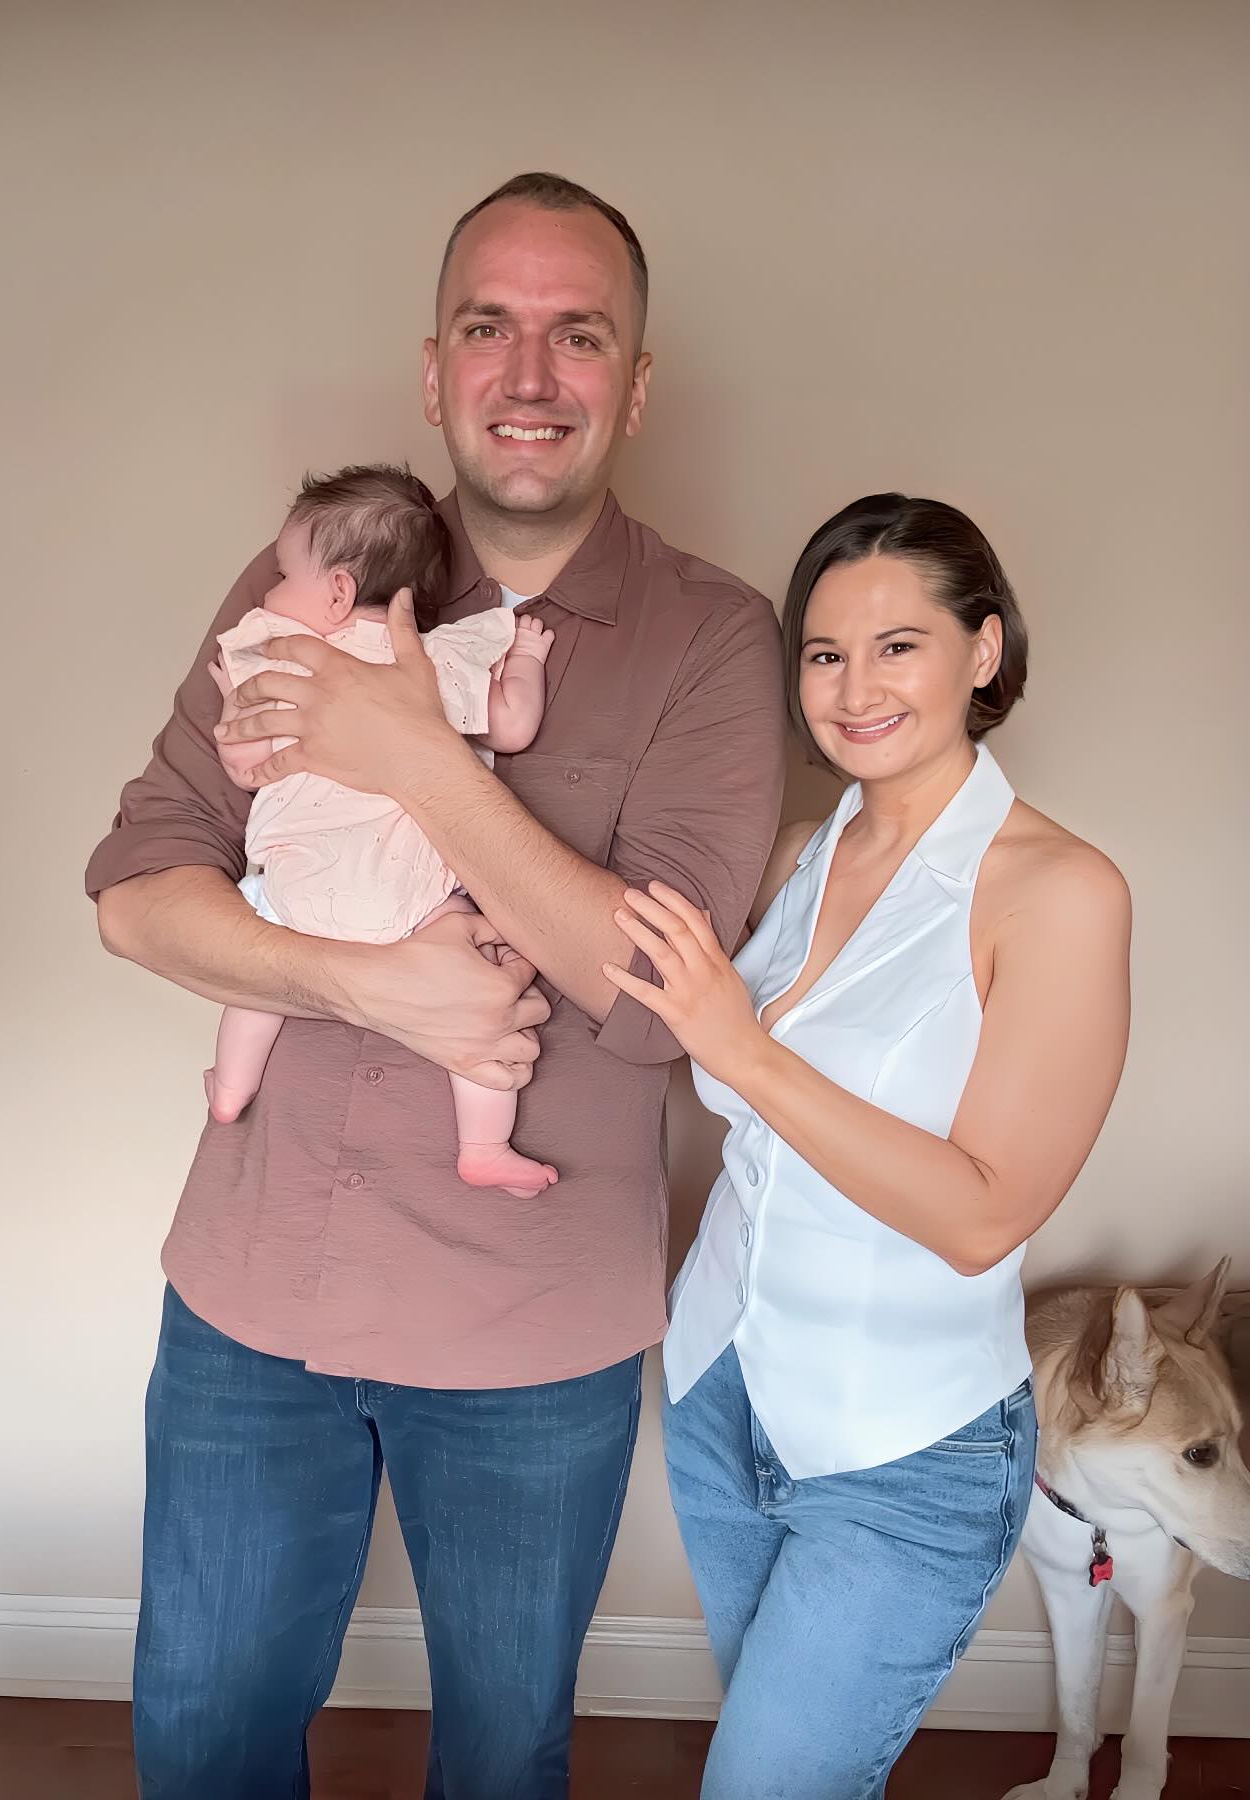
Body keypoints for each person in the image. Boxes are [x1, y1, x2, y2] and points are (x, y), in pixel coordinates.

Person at [86, 171, 785, 1799]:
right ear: (433, 369)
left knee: (501, 1761)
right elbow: (138, 888)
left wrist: (413, 750)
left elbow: (654, 996)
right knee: (200, 1746)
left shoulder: (714, 642)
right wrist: (361, 983)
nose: (529, 375)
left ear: (635, 382)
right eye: (491, 326)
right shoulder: (308, 584)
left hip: (531, 1337)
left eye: (577, 334)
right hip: (250, 1304)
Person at [603, 494, 1131, 1799]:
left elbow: (980, 1214)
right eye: (825, 652)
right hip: (725, 1391)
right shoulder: (794, 854)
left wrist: (743, 1049)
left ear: (986, 650)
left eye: (900, 644)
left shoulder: (1061, 893)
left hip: (904, 1449)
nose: (854, 686)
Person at [205, 462, 559, 1199]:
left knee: (254, 985)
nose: (269, 591)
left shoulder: (278, 658)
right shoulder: (436, 660)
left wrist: (231, 713)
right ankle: (485, 1146)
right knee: (482, 996)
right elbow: (516, 727)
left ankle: (231, 1088)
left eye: (281, 573)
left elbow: (243, 765)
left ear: (335, 591)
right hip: (410, 900)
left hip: (299, 889)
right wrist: (523, 655)